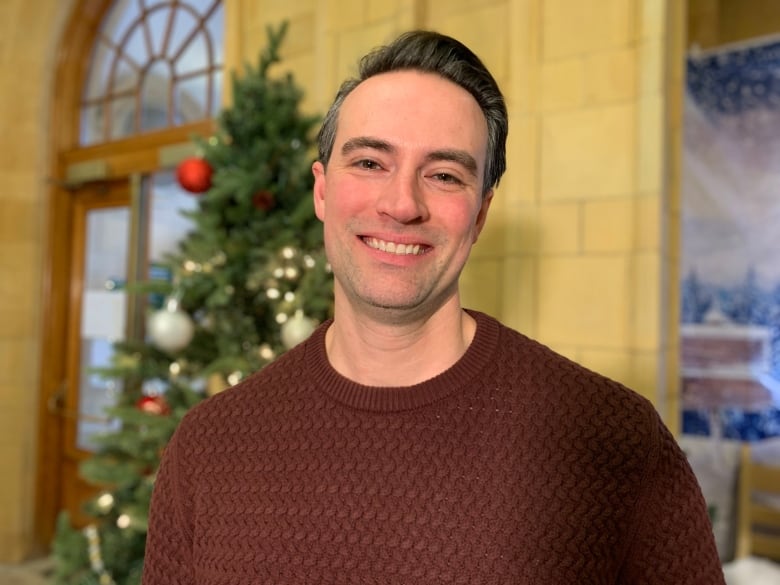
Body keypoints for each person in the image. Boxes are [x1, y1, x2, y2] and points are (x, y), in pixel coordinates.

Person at [143, 30, 725, 584]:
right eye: (370, 162)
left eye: (444, 175)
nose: (402, 204)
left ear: (479, 214)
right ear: (322, 191)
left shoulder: (614, 439)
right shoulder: (207, 447)